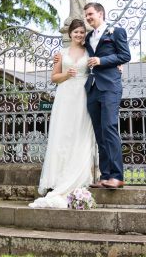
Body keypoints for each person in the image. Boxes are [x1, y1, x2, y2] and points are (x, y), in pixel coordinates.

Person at [29, 19, 97, 209]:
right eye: (76, 32)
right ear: (70, 34)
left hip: (83, 95)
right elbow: (54, 77)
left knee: (80, 133)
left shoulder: (90, 51)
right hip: (65, 96)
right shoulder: (61, 54)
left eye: (82, 32)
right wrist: (67, 75)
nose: (79, 35)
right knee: (63, 134)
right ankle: (60, 177)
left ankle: (81, 175)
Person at [83, 2, 131, 189]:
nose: (88, 17)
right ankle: (105, 176)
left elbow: (125, 56)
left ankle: (117, 176)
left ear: (101, 14)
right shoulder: (88, 37)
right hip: (93, 88)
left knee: (109, 128)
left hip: (110, 86)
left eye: (90, 14)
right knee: (100, 133)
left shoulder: (116, 32)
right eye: (86, 15)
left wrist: (102, 60)